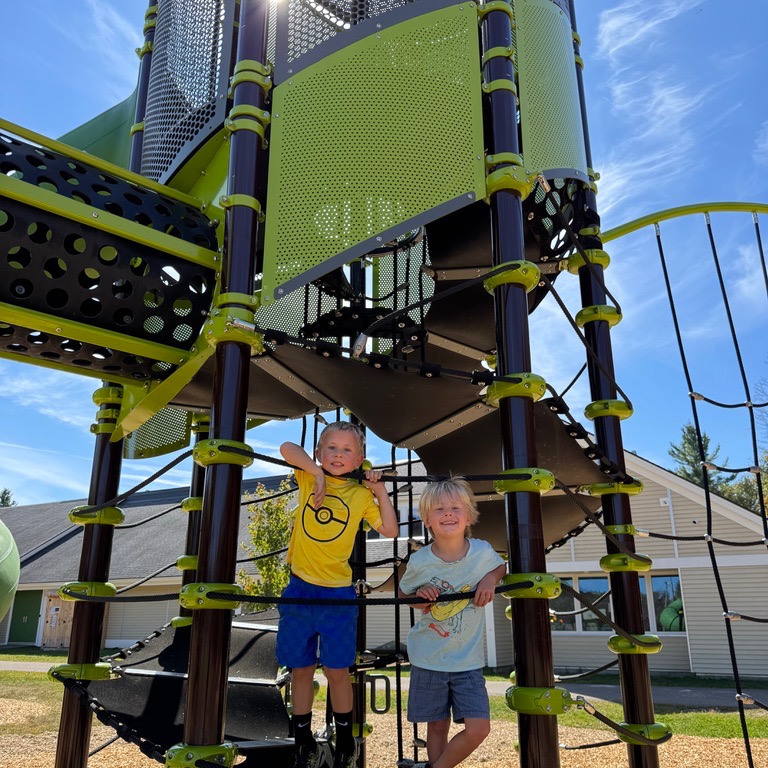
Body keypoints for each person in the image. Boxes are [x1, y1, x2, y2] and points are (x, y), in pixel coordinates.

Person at [277, 421, 399, 768]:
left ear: (360, 459)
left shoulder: (360, 494)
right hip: (299, 587)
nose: (338, 455)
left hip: (338, 594)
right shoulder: (306, 475)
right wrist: (315, 473)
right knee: (299, 670)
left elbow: (389, 529)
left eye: (347, 450)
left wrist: (379, 491)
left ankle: (345, 740)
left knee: (336, 671)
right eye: (331, 447)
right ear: (319, 451)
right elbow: (286, 447)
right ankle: (303, 741)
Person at [399, 477, 506, 768]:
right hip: (429, 657)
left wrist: (489, 578)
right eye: (439, 509)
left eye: (455, 507)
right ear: (427, 520)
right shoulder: (420, 561)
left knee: (478, 728)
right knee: (436, 727)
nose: (448, 513)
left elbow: (500, 567)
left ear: (469, 515)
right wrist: (420, 597)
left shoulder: (482, 552)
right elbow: (404, 594)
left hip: (467, 660)